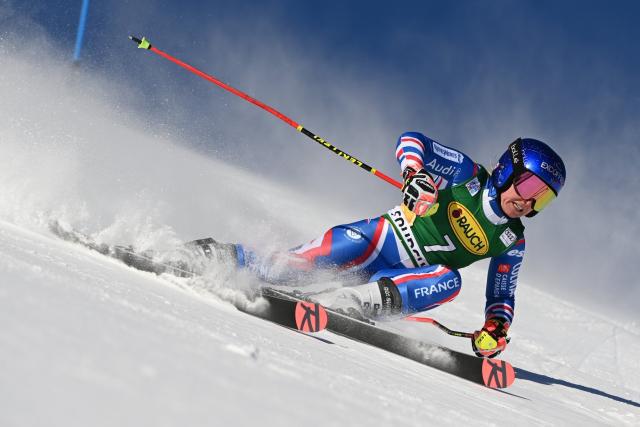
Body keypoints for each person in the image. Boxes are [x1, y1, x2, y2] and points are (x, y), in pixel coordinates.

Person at [136, 132, 567, 358]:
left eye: (542, 197)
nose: (527, 200)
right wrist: (415, 176)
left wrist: (496, 329)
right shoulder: (467, 174)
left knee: (450, 280)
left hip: (403, 280)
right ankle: (211, 254)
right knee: (292, 269)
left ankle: (354, 303)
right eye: (528, 184)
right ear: (509, 168)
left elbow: (501, 294)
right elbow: (412, 141)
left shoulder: (512, 240)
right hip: (380, 239)